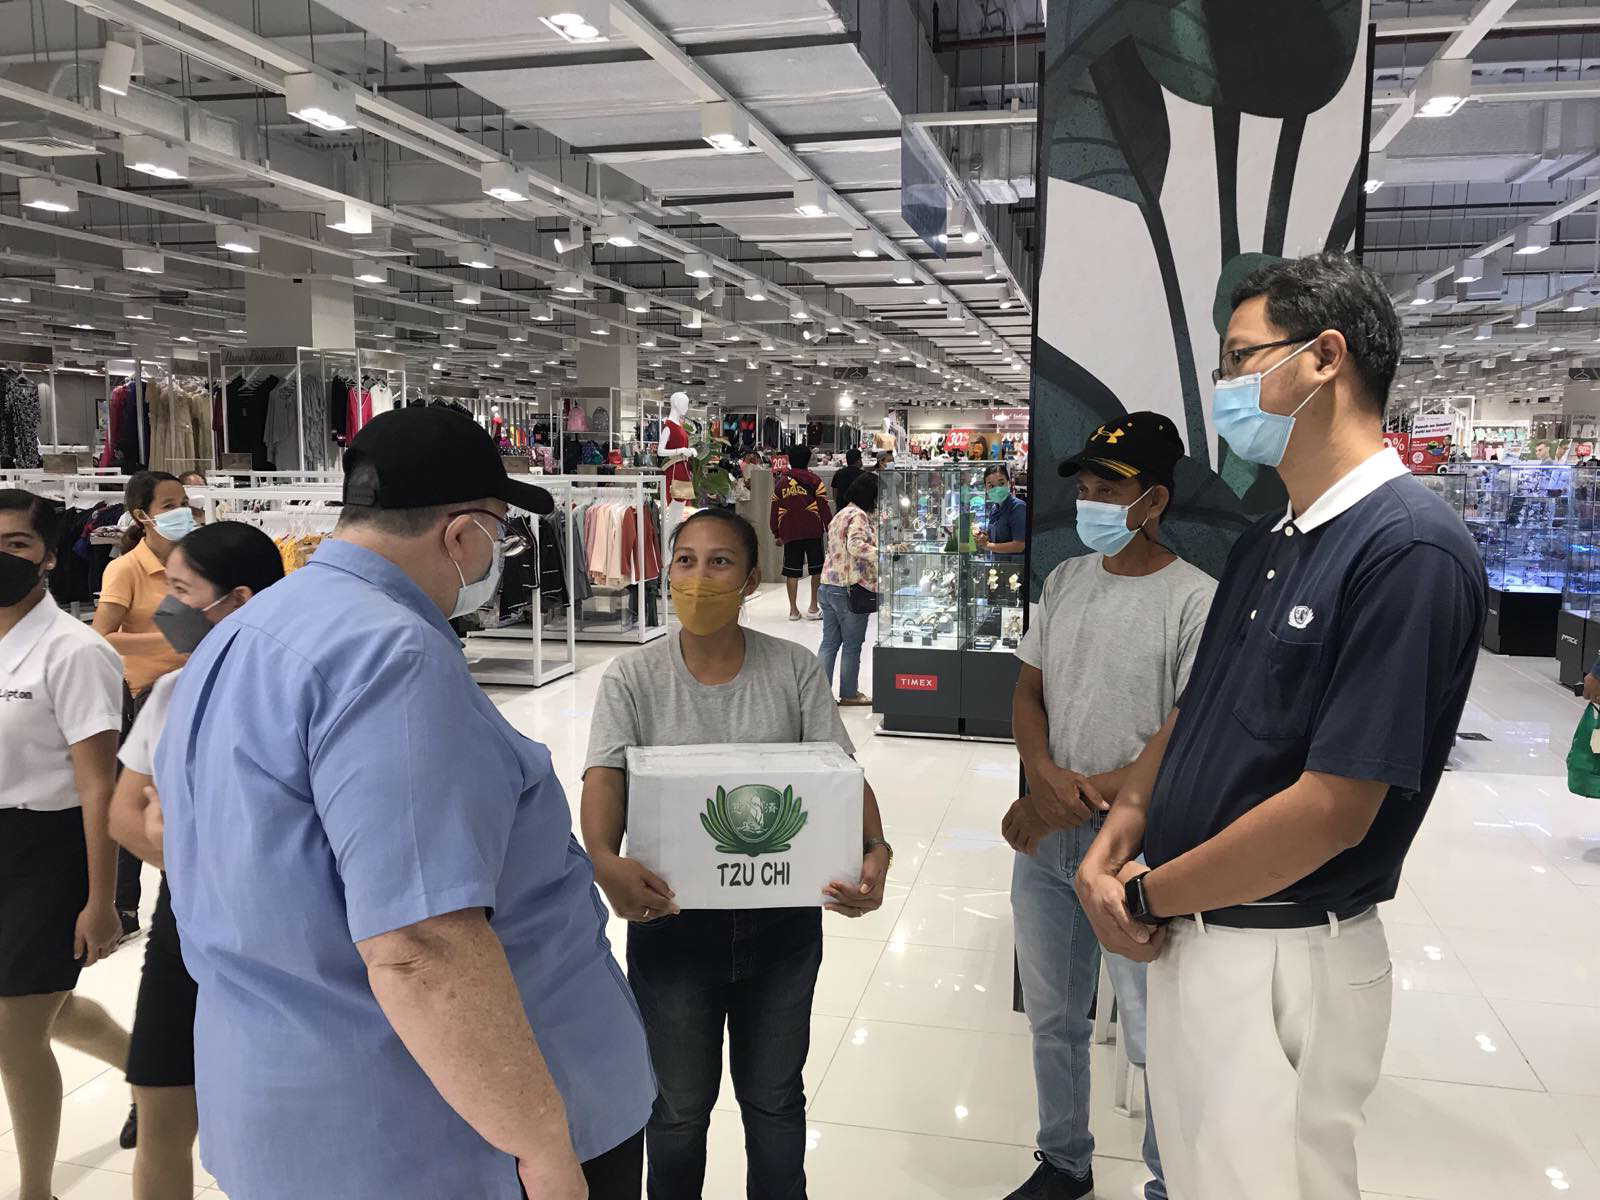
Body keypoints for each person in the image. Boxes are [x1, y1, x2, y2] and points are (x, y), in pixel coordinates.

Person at [152, 407, 655, 1200]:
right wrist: (543, 1146)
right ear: (460, 536)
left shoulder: (245, 634)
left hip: (292, 1106)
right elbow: (421, 944)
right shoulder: (390, 655)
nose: (499, 554)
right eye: (497, 530)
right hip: (443, 1139)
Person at [1074, 253, 1485, 1200]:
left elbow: (1335, 806)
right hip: (1194, 933)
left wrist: (1143, 898)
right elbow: (1199, 708)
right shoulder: (1272, 538)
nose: (1224, 388)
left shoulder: (1407, 548)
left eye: (1240, 358)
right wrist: (1123, 825)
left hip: (1284, 955)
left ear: (1324, 359)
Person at [581, 507, 891, 1200]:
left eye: (719, 562)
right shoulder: (633, 678)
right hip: (671, 926)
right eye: (685, 560)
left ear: (752, 578)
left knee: (775, 1101)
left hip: (780, 924)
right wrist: (603, 858)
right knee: (677, 1109)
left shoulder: (793, 670)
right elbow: (605, 776)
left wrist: (875, 847)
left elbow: (841, 774)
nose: (699, 576)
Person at [1001, 414, 1215, 1200]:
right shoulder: (1065, 581)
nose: (1090, 502)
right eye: (1085, 488)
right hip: (1051, 846)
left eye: (1108, 489)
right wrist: (1039, 768)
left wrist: (1068, 799)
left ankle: (1169, 1178)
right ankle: (1063, 1160)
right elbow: (1030, 687)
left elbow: (1182, 738)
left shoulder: (1196, 601)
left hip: (1135, 855)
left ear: (1153, 499)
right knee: (1052, 1018)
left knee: (1155, 1033)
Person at [108, 520, 285, 1200]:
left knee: (274, 1117)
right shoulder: (172, 695)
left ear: (238, 600)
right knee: (160, 1102)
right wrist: (196, 854)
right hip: (184, 924)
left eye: (181, 590)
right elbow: (126, 813)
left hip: (275, 934)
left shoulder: (291, 694)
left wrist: (180, 836)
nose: (166, 608)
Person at [0, 488, 131, 1200]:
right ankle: (155, 1072)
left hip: (51, 854)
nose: (1, 556)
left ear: (51, 556)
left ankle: (34, 1193)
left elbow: (97, 788)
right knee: (47, 1007)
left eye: (17, 544)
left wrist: (102, 900)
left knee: (12, 1034)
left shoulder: (75, 652)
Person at [93, 469, 192, 938]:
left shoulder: (194, 560)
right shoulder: (126, 568)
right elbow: (102, 639)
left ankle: (188, 891)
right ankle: (125, 905)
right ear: (142, 515)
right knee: (139, 793)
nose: (181, 512)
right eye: (169, 506)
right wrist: (171, 638)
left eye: (183, 502)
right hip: (148, 694)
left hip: (197, 687)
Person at [817, 472, 879, 707]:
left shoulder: (841, 514)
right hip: (850, 588)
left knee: (829, 642)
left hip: (828, 584)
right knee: (852, 645)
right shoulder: (859, 515)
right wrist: (884, 555)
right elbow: (855, 545)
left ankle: (821, 696)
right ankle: (849, 693)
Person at [770, 442, 832, 621]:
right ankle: (813, 607)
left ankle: (793, 610)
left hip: (790, 532)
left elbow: (775, 509)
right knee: (816, 570)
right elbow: (824, 508)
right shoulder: (816, 481)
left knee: (792, 571)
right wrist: (831, 529)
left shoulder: (781, 483)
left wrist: (776, 532)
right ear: (808, 460)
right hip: (813, 531)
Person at [977, 464, 1027, 554]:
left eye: (1001, 483)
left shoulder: (1018, 507)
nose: (997, 489)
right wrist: (984, 536)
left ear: (1009, 483)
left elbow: (1020, 545)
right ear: (986, 488)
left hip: (1015, 565)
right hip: (999, 563)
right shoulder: (995, 508)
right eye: (992, 486)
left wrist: (987, 546)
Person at [830, 447, 864, 514]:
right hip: (857, 512)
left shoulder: (838, 473)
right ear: (858, 461)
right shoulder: (863, 475)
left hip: (841, 510)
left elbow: (834, 494)